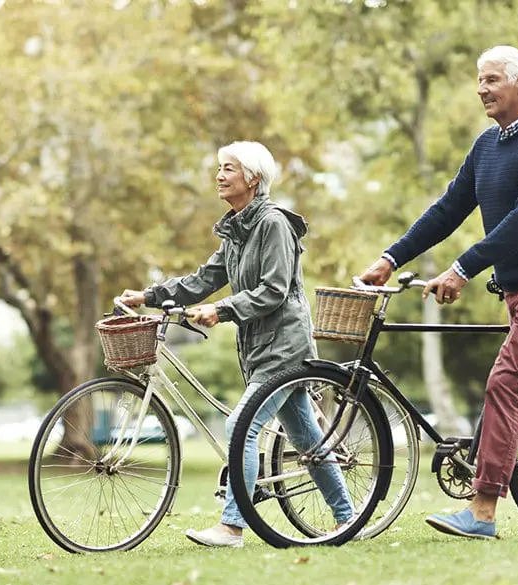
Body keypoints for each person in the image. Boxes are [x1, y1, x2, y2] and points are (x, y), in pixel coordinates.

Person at [358, 46, 518, 539]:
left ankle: (481, 510)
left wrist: (463, 268)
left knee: (505, 382)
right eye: (479, 80)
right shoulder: (487, 145)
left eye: (492, 79)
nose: (481, 88)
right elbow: (448, 208)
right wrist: (391, 257)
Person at [118, 141, 354, 548]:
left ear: (253, 178)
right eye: (219, 168)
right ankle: (349, 519)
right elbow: (203, 280)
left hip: (286, 346)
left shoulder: (273, 224)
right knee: (307, 440)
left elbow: (275, 290)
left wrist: (222, 310)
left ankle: (232, 526)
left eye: (228, 168)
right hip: (261, 346)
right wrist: (149, 296)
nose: (219, 175)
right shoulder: (236, 230)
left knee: (240, 426)